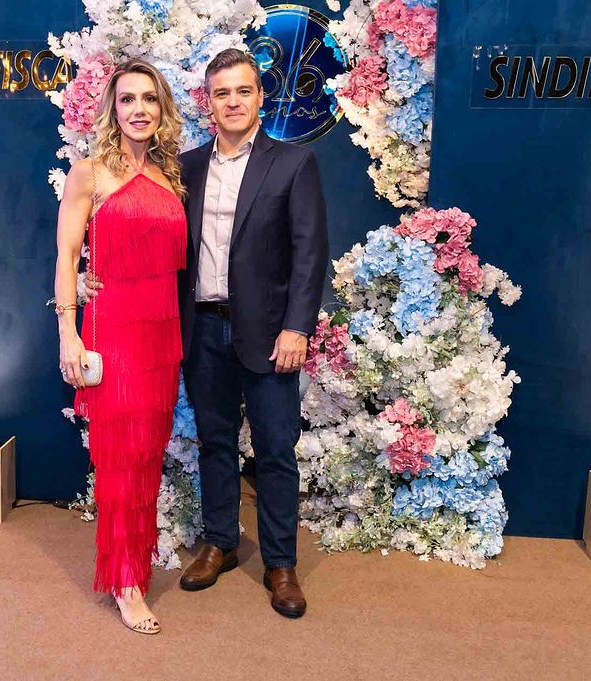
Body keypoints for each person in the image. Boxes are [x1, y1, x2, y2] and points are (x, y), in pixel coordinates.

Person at [175, 48, 328, 618]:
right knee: (214, 442)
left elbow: (310, 252)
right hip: (202, 328)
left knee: (275, 451)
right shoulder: (187, 167)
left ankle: (280, 563)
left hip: (268, 334)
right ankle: (220, 542)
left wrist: (297, 327)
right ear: (208, 103)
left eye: (243, 91)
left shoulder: (293, 162)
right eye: (222, 93)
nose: (233, 102)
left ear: (261, 97)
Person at [53, 58, 187, 635]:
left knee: (147, 456)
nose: (139, 109)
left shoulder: (170, 176)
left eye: (149, 99)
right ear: (113, 109)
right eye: (128, 99)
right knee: (121, 459)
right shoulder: (89, 173)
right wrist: (69, 332)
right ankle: (125, 580)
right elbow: (66, 260)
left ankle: (133, 564)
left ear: (162, 109)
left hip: (163, 337)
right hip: (113, 334)